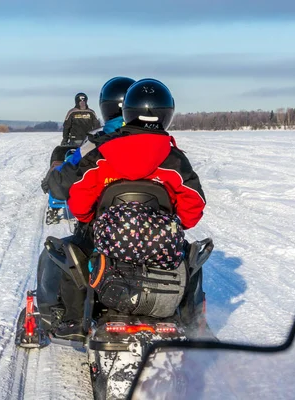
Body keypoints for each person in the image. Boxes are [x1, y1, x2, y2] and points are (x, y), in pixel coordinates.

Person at [47, 78, 206, 340]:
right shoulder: (174, 158)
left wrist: (91, 221)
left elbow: (80, 198)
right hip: (159, 246)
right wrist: (171, 223)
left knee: (72, 251)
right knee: (189, 257)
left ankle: (75, 319)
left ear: (126, 112)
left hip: (107, 241)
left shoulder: (103, 152)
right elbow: (193, 205)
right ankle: (189, 320)